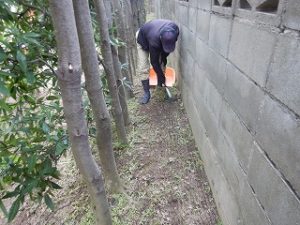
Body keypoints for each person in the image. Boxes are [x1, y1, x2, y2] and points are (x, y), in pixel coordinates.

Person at [136, 19, 179, 104]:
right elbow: (154, 61)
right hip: (142, 40)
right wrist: (161, 75)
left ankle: (161, 88)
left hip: (154, 35)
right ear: (160, 39)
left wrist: (163, 60)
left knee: (162, 63)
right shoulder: (154, 40)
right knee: (143, 67)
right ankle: (147, 93)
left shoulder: (175, 30)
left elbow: (165, 53)